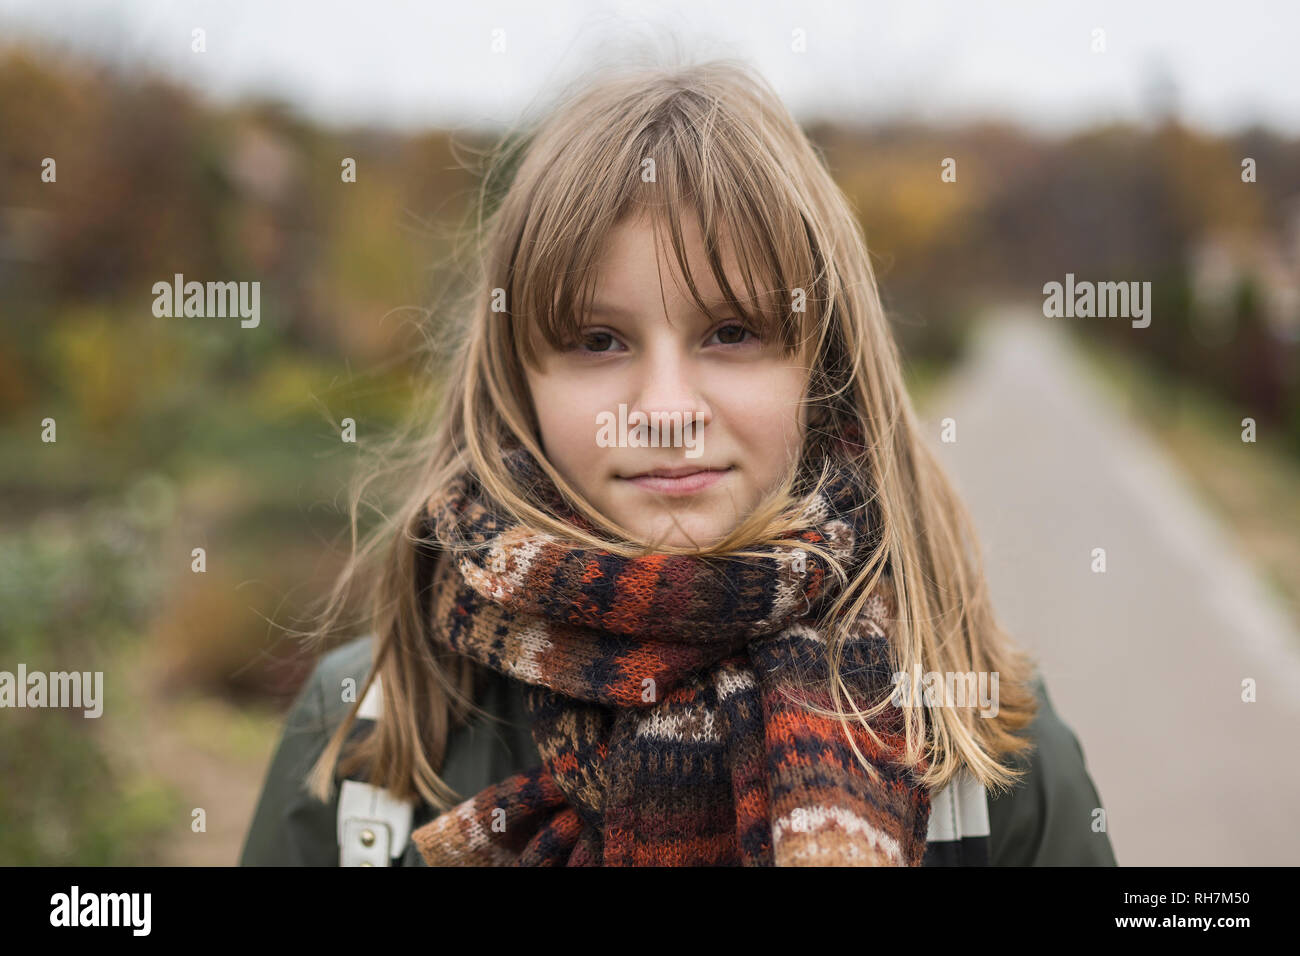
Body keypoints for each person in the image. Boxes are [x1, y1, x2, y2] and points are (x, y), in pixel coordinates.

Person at [240, 58, 1116, 867]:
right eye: (598, 339)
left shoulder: (981, 741)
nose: (664, 413)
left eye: (731, 333)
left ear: (826, 365)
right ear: (517, 380)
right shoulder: (363, 732)